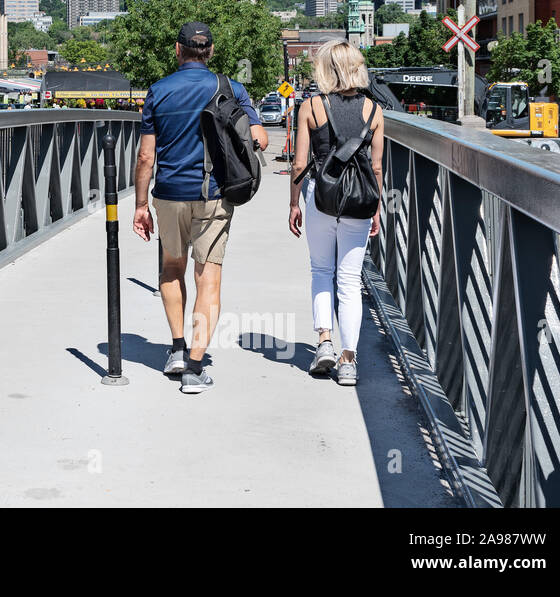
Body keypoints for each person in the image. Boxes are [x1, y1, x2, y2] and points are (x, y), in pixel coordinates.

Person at [132, 22, 268, 394]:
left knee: (171, 267)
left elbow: (146, 156)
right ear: (210, 51)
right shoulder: (231, 88)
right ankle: (194, 366)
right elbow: (260, 138)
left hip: (169, 194)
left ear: (178, 50)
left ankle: (176, 349)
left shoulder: (158, 91)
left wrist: (141, 204)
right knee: (207, 276)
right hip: (213, 194)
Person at [288, 40, 384, 387]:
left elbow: (300, 163)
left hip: (321, 199)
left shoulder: (311, 106)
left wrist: (294, 203)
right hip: (360, 202)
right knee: (349, 280)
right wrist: (376, 208)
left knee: (321, 270)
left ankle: (325, 342)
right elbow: (376, 166)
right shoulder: (374, 111)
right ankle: (348, 361)